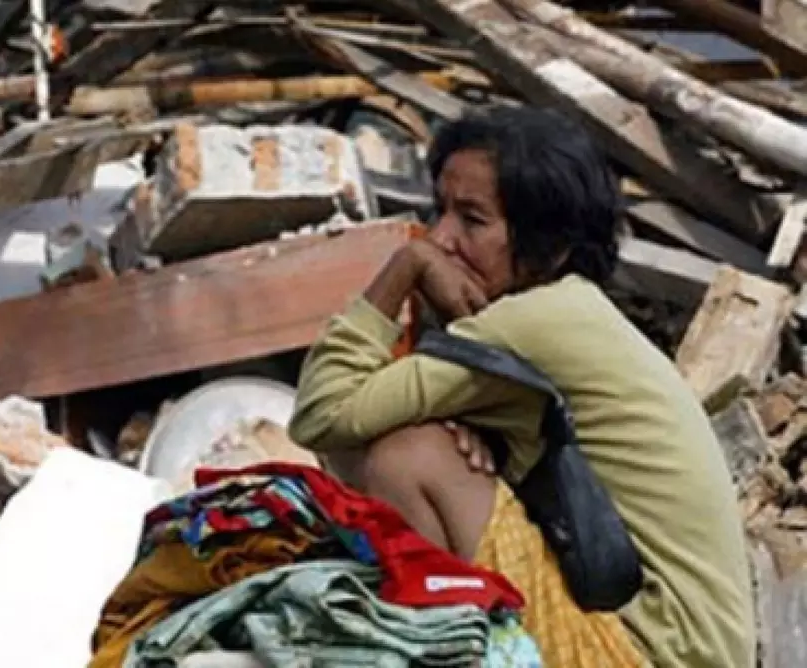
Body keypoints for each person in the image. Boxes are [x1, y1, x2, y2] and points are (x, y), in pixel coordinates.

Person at [287, 106, 754, 668]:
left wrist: (404, 266)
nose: (440, 238)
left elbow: (323, 414)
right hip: (671, 645)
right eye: (440, 211)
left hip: (648, 652)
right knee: (399, 438)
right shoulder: (568, 310)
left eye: (472, 220)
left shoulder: (533, 321)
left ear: (549, 248)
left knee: (408, 455)